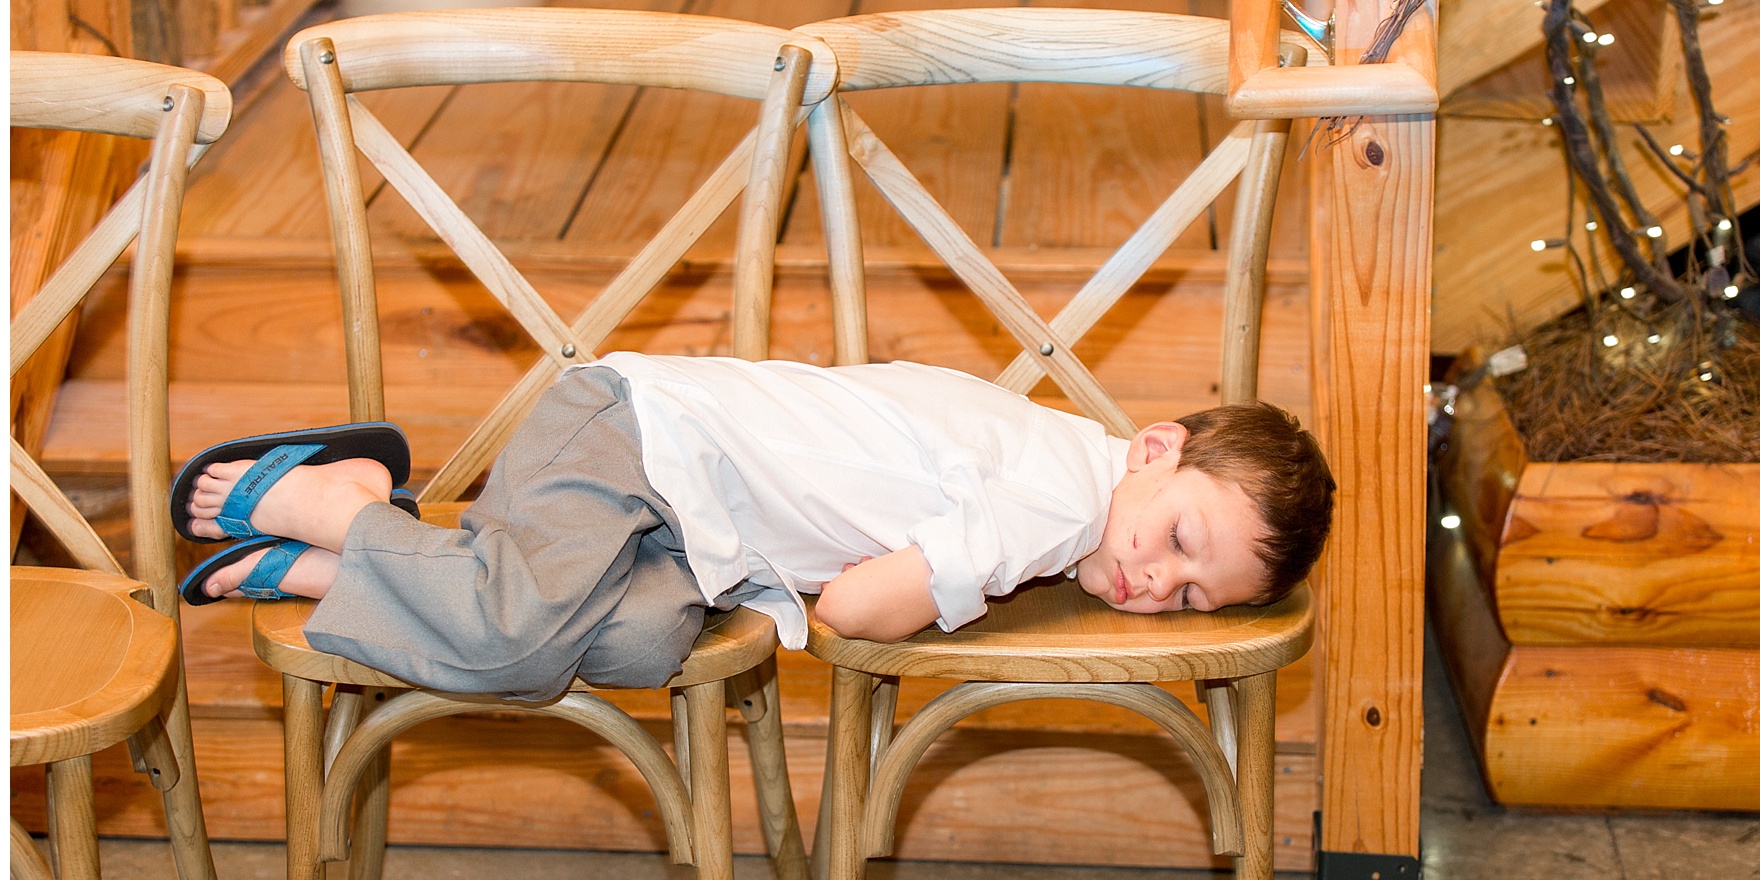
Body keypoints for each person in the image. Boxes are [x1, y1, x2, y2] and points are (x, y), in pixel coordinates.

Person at [174, 353, 1335, 701]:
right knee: (519, 639)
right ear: (1153, 449)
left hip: (697, 541)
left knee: (627, 647)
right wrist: (959, 585)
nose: (1151, 581)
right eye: (1180, 540)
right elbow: (851, 615)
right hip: (635, 435)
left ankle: (338, 566)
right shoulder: (1054, 501)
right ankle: (339, 497)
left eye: (1190, 595)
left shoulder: (1066, 472)